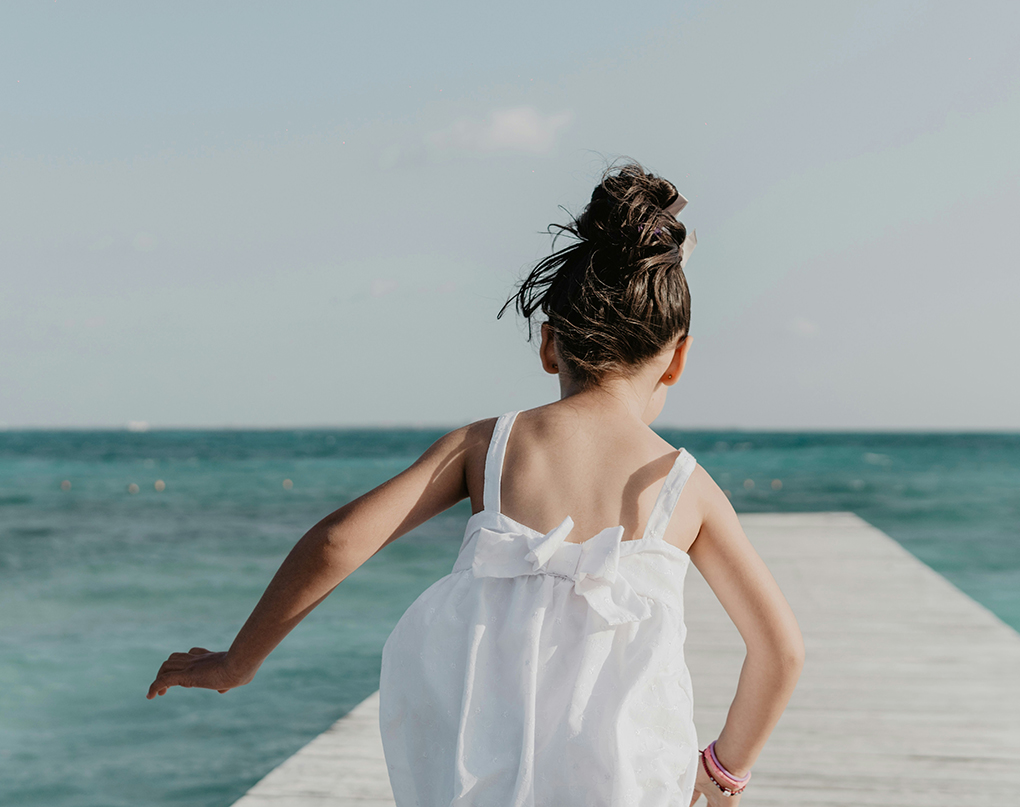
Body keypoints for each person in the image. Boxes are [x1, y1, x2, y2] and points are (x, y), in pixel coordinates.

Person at [148, 162, 804, 806]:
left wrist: (236, 661)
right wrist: (722, 771)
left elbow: (338, 541)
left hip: (477, 777)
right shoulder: (681, 485)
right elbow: (779, 651)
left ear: (550, 344)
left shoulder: (488, 447)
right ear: (679, 355)